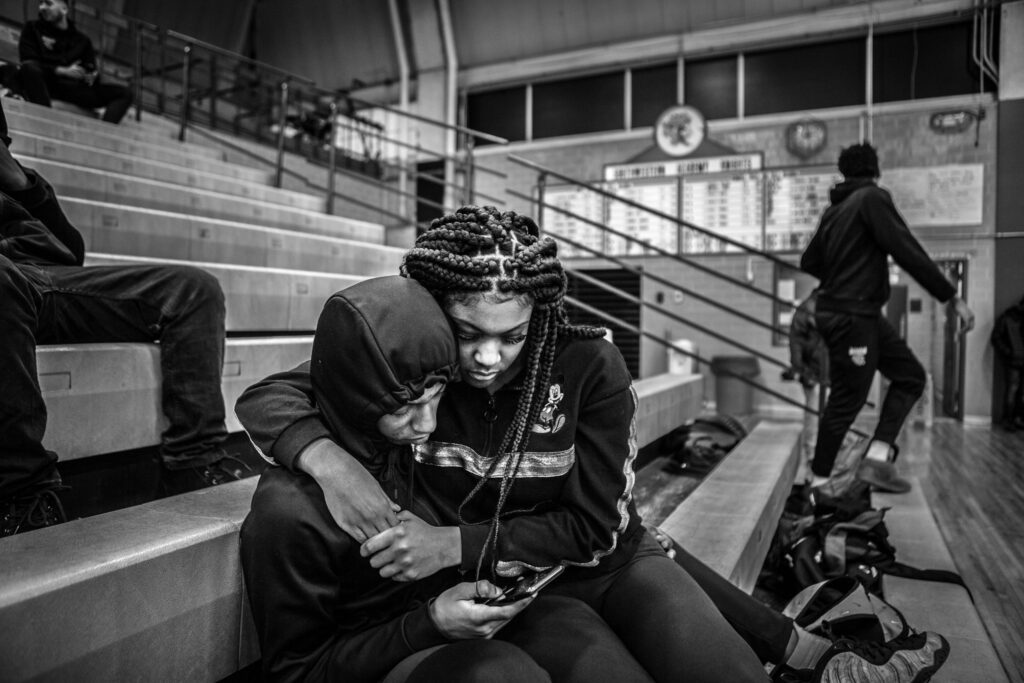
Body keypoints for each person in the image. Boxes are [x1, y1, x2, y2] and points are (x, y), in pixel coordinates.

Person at [239, 205, 950, 682]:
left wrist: (447, 545)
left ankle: (811, 654)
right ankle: (805, 651)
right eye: (468, 334)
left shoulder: (588, 364)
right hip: (507, 582)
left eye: (510, 336)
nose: (486, 359)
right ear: (432, 313)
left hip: (595, 558)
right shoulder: (421, 367)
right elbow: (274, 394)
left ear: (540, 316)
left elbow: (597, 529)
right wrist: (325, 459)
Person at [241, 275, 668, 683]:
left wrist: (453, 554)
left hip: (495, 593)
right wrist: (329, 462)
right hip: (411, 644)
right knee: (498, 676)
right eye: (404, 406)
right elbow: (296, 672)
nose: (427, 424)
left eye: (439, 395)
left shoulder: (408, 428)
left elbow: (592, 523)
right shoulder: (292, 510)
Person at [0, 99, 245, 537]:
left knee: (194, 288)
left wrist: (17, 178)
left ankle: (193, 461)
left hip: (43, 279)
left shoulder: (15, 185)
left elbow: (70, 252)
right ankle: (22, 495)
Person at [800, 143, 975, 495]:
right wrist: (950, 296)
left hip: (858, 312)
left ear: (844, 172)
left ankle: (877, 459)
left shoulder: (834, 211)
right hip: (850, 315)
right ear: (875, 170)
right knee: (847, 399)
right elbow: (904, 247)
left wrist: (847, 264)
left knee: (910, 376)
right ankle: (817, 483)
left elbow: (809, 263)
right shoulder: (871, 198)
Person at [15, 0, 133, 124]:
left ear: (64, 9)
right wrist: (61, 71)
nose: (42, 8)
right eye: (41, 4)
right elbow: (28, 61)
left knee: (124, 93)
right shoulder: (32, 28)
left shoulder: (82, 40)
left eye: (48, 3)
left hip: (75, 88)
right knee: (29, 69)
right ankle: (45, 118)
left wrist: (87, 76)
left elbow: (91, 73)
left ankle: (104, 132)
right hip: (48, 83)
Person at [783, 288, 829, 468]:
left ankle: (824, 455)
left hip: (830, 372)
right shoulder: (808, 308)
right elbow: (796, 340)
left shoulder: (833, 306)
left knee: (827, 416)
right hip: (814, 373)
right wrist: (801, 370)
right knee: (814, 415)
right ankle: (812, 457)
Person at [991, 295, 1024, 431]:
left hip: (1018, 359)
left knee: (1019, 391)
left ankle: (1017, 418)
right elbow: (996, 338)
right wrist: (1008, 353)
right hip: (1013, 360)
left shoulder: (1009, 317)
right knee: (1012, 390)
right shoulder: (1007, 318)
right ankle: (1008, 419)